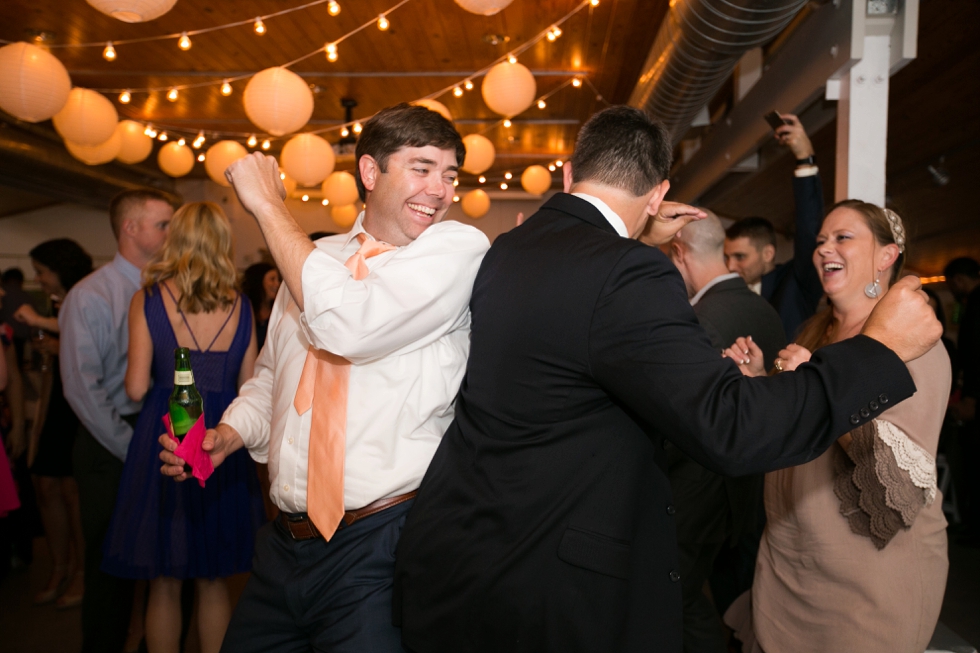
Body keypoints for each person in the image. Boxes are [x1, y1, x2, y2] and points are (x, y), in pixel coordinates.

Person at [392, 106, 941, 653]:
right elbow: (732, 428)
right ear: (658, 194)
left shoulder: (509, 248)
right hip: (552, 590)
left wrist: (629, 240)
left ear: (567, 175)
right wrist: (880, 350)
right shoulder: (627, 270)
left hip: (468, 556)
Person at [159, 104, 489, 652]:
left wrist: (267, 206)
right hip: (284, 543)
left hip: (384, 543)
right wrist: (228, 436)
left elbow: (349, 327)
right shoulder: (313, 261)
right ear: (369, 172)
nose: (440, 189)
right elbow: (273, 377)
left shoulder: (454, 252)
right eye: (422, 168)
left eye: (450, 174)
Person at [721, 201, 949, 653]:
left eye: (842, 237)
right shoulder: (816, 331)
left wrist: (822, 384)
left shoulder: (911, 343)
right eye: (821, 239)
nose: (824, 247)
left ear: (887, 256)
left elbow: (899, 486)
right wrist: (763, 383)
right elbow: (801, 423)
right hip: (789, 563)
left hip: (864, 582)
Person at [100, 201, 265, 653]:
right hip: (222, 441)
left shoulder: (148, 298)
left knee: (165, 580)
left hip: (167, 436)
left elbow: (135, 387)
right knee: (213, 581)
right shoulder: (243, 306)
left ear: (177, 239)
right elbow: (251, 387)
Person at [60, 189, 174, 653]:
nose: (172, 233)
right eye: (163, 224)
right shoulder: (90, 295)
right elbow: (81, 386)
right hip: (112, 444)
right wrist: (132, 445)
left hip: (161, 437)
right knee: (111, 568)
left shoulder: (170, 289)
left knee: (168, 565)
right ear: (131, 228)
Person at [666, 214, 785, 652]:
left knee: (678, 599)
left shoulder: (700, 318)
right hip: (743, 486)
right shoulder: (762, 309)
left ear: (679, 252)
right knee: (730, 599)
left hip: (700, 489)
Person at [10, 240, 92, 609]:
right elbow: (47, 374)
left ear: (61, 268)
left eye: (42, 271)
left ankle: (82, 571)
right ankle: (59, 566)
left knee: (73, 492)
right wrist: (38, 423)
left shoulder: (84, 297)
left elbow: (97, 355)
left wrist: (63, 350)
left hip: (80, 406)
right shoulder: (54, 306)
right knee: (45, 486)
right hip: (56, 402)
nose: (38, 279)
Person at [724, 114, 824, 340]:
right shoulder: (728, 294)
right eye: (727, 257)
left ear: (768, 253)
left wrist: (804, 159)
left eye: (740, 256)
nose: (730, 266)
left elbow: (809, 229)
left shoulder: (795, 282)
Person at [945, 257, 980, 543]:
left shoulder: (976, 307)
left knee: (972, 461)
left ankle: (974, 525)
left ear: (958, 280)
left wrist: (971, 398)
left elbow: (975, 358)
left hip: (975, 398)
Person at [240, 262, 280, 350]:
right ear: (259, 281)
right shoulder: (244, 311)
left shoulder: (279, 312)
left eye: (278, 280)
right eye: (272, 279)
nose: (277, 284)